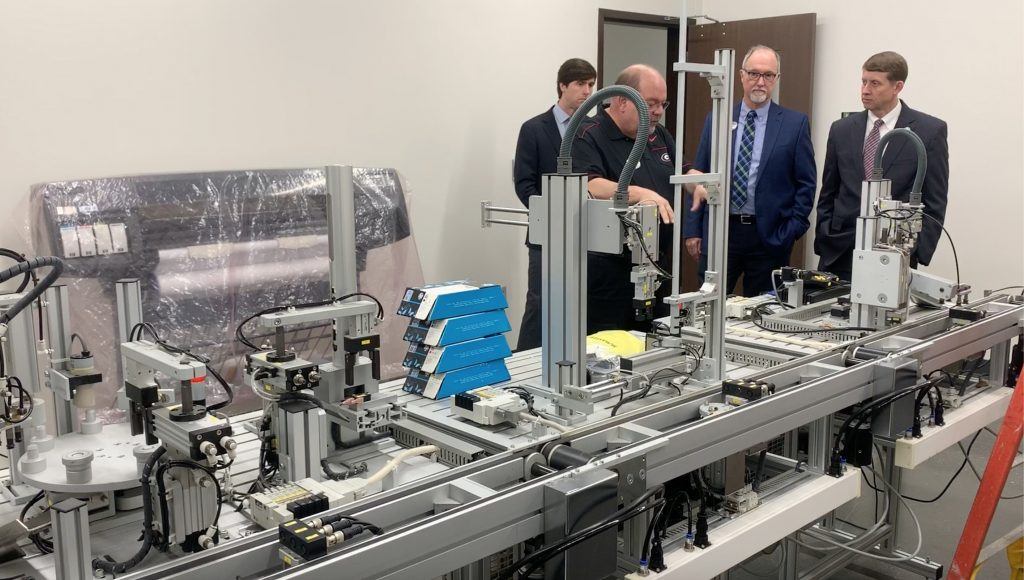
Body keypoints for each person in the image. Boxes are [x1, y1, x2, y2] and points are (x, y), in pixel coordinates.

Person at [573, 64, 706, 332]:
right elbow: (590, 184)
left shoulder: (658, 134)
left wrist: (698, 182)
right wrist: (642, 194)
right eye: (651, 103)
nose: (657, 111)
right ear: (622, 100)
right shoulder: (589, 133)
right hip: (611, 277)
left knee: (659, 343)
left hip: (657, 271)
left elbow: (682, 168)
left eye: (662, 104)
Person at [683, 45, 816, 297]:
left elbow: (806, 184)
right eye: (754, 74)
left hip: (769, 237)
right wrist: (694, 229)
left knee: (762, 312)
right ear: (741, 75)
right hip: (722, 231)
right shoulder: (718, 118)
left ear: (777, 79)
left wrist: (792, 230)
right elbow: (699, 174)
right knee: (709, 306)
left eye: (768, 75)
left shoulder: (794, 124)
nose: (760, 82)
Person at [815, 51, 949, 281]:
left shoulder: (928, 131)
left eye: (875, 83)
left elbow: (935, 200)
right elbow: (829, 191)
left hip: (894, 252)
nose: (865, 90)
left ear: (897, 87)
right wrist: (825, 234)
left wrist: (916, 250)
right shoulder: (841, 129)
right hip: (841, 250)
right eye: (863, 81)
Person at [513, 58, 596, 350]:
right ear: (562, 85)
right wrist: (552, 214)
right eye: (580, 84)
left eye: (591, 85)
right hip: (545, 234)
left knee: (582, 300)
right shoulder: (534, 129)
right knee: (540, 302)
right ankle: (524, 362)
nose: (587, 91)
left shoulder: (594, 128)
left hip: (587, 232)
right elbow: (524, 184)